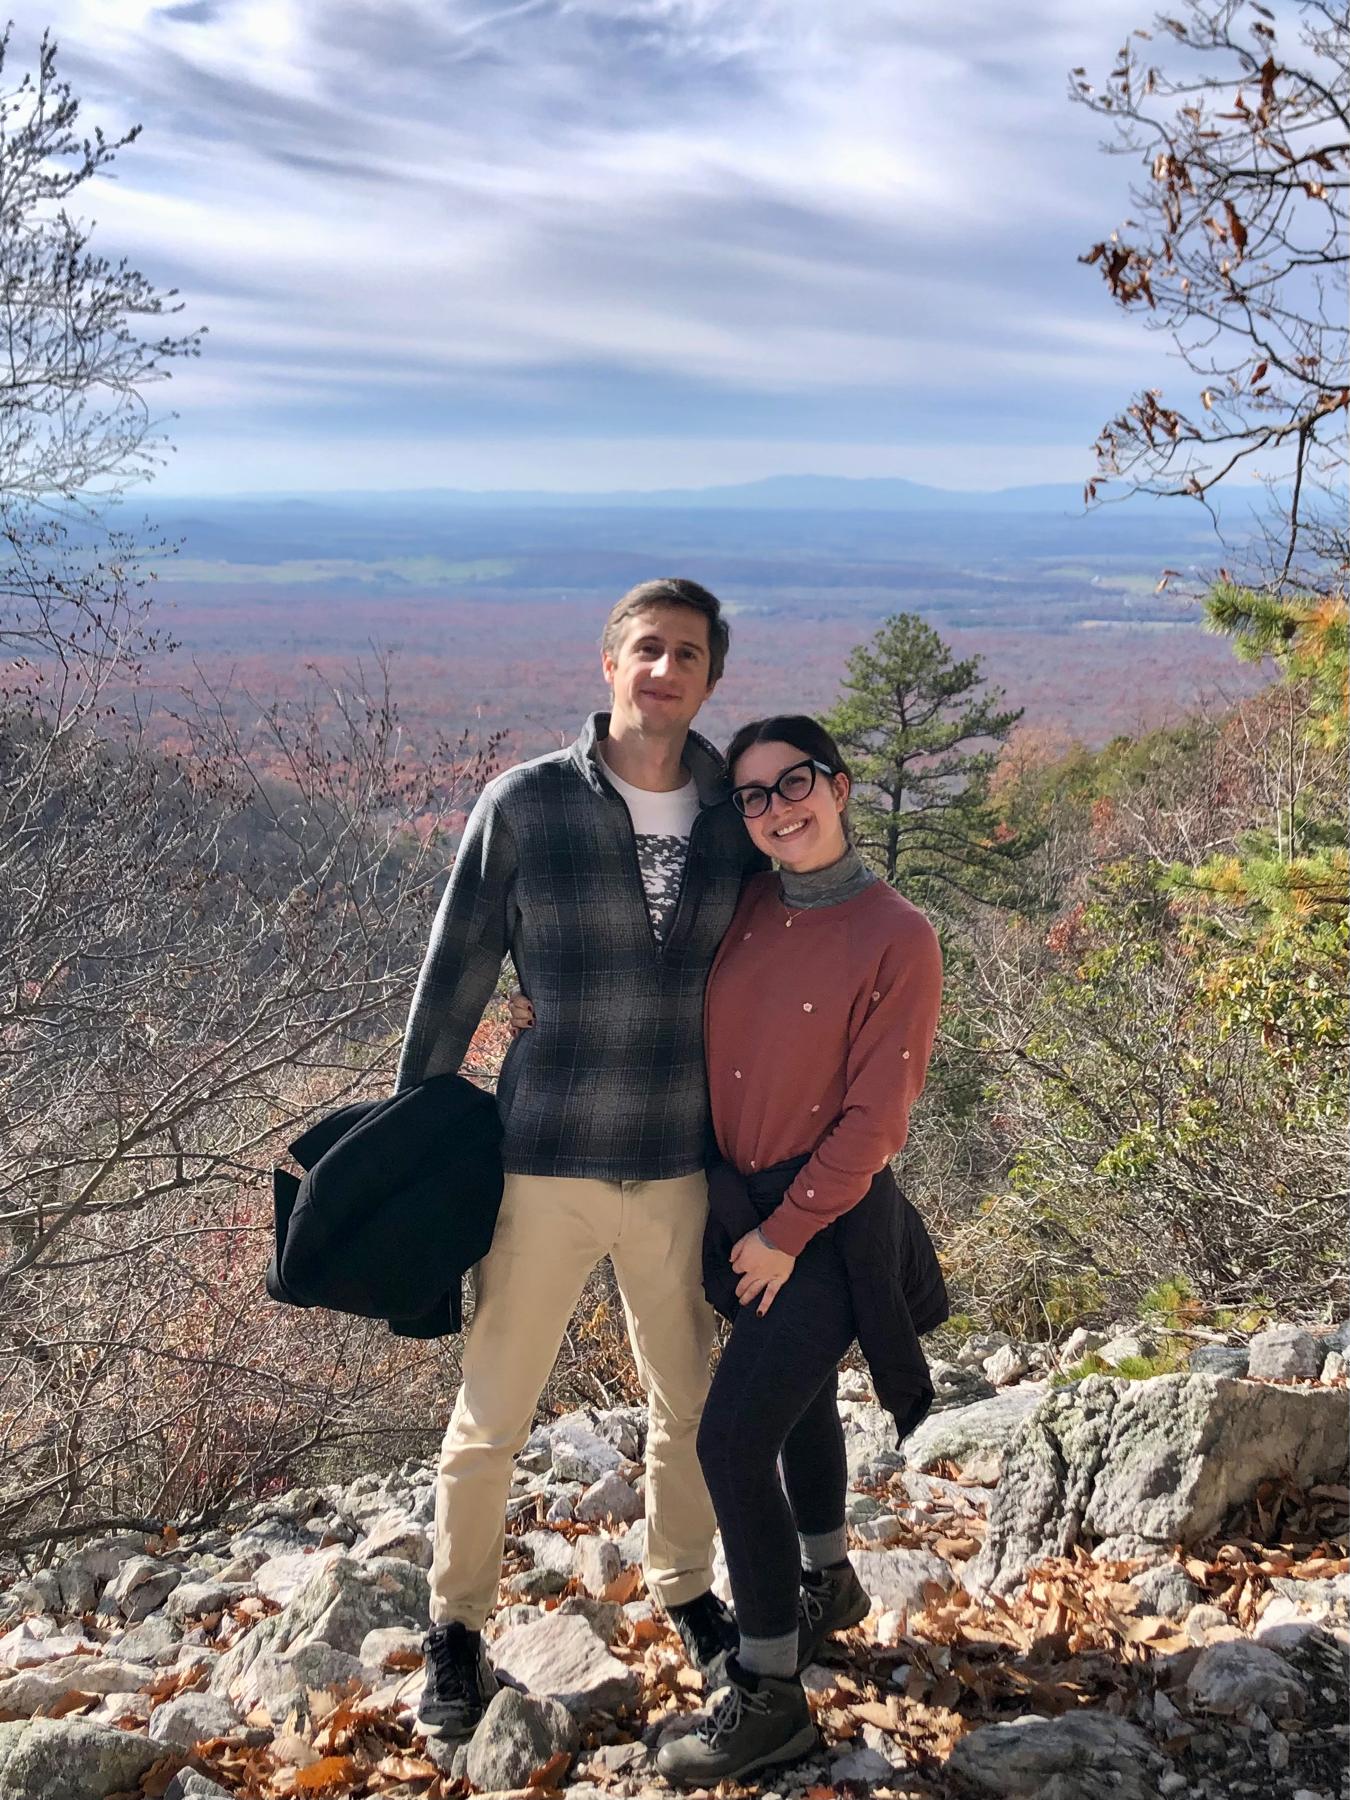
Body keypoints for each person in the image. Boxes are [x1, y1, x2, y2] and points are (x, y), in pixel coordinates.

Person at [398, 578, 761, 1737]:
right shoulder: (529, 803)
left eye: (688, 655)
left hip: (676, 1162)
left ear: (711, 678)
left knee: (689, 1404)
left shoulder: (733, 815)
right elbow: (455, 969)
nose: (664, 671)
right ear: (608, 665)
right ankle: (455, 1630)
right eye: (646, 650)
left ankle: (688, 1594)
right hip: (544, 1158)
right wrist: (414, 1133)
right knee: (493, 1412)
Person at [655, 715, 947, 1784]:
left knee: (731, 1442)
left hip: (823, 1227)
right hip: (742, 1210)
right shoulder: (747, 910)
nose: (780, 808)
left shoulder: (896, 934)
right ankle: (832, 1580)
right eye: (756, 797)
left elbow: (877, 1119)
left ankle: (769, 1690)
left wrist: (782, 1236)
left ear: (842, 785)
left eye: (798, 783)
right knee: (801, 1404)